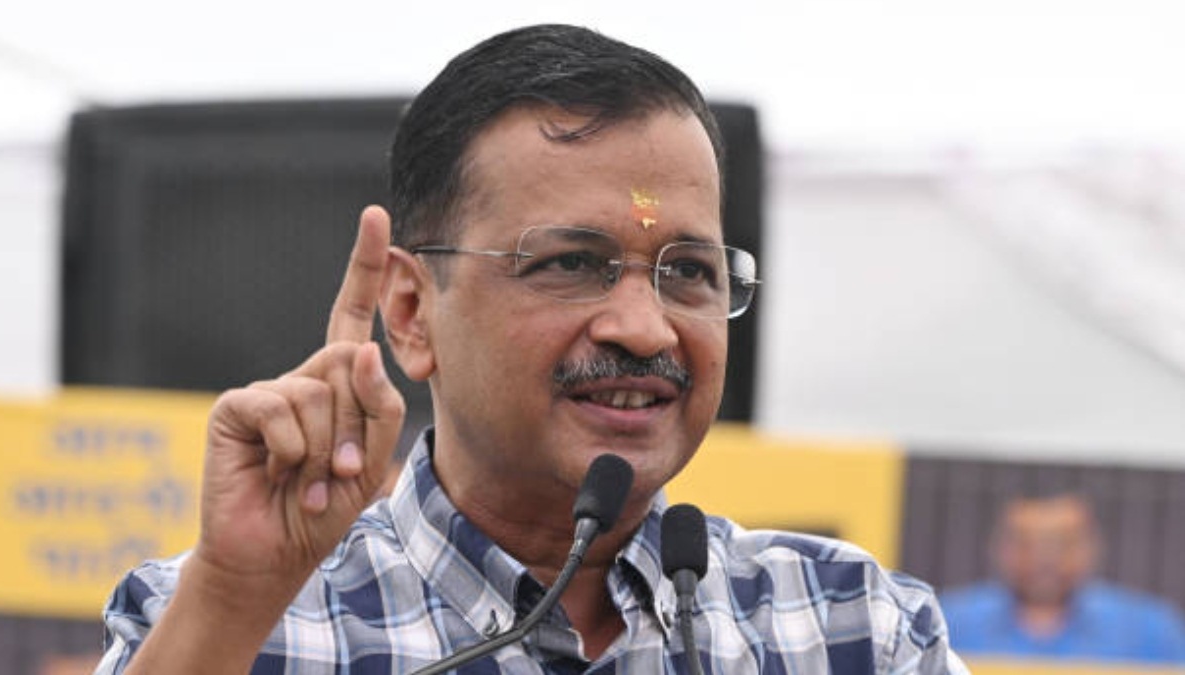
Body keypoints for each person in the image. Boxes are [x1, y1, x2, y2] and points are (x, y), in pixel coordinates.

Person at [94, 24, 966, 674]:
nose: (645, 328)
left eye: (688, 271)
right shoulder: (243, 620)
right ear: (412, 313)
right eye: (572, 263)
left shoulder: (848, 629)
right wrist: (232, 601)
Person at [941, 491, 1185, 664]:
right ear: (999, 547)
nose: (1044, 559)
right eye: (1027, 543)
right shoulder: (945, 623)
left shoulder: (1150, 631)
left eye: (1062, 543)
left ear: (1092, 547)